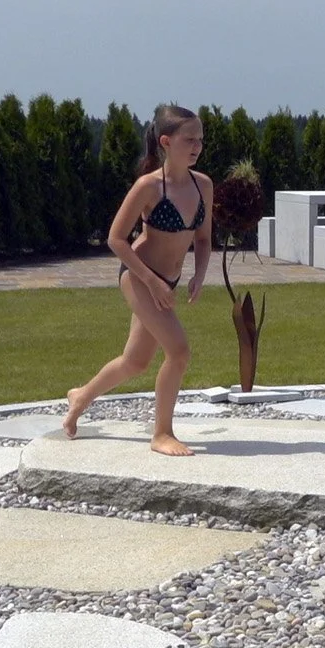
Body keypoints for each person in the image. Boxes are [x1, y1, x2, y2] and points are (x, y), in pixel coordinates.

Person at [63, 104, 211, 456]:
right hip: (139, 276)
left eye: (201, 140)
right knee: (178, 350)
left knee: (135, 362)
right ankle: (162, 434)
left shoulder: (203, 185)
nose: (196, 146)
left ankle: (80, 397)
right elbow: (115, 239)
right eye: (189, 139)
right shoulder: (149, 187)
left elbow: (204, 239)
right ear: (165, 141)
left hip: (168, 280)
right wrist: (152, 281)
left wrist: (198, 276)